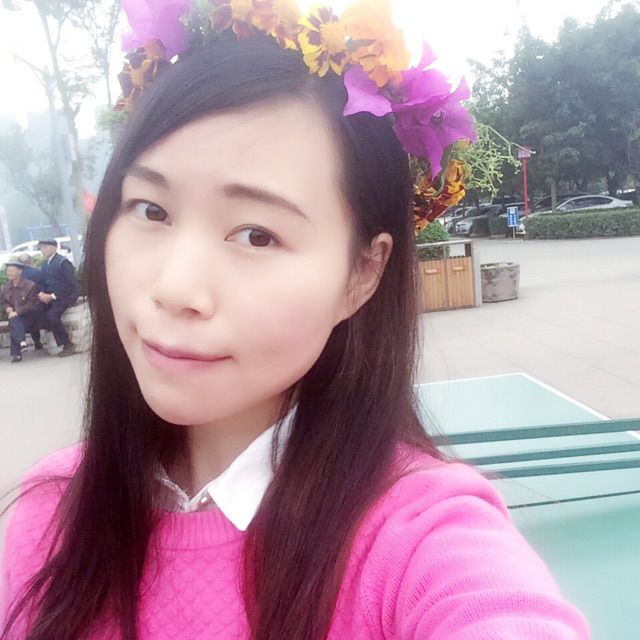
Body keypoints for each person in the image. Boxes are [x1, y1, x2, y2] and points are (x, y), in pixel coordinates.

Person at [0, 2, 590, 639]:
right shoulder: (51, 513)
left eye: (256, 234)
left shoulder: (418, 541)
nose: (174, 289)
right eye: (150, 210)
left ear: (362, 274)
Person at [37, 239, 78, 357]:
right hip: (50, 296)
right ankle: (42, 343)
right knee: (37, 310)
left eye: (45, 247)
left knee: (52, 316)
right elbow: (44, 282)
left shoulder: (63, 262)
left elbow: (70, 284)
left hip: (66, 297)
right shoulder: (45, 264)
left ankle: (68, 345)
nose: (42, 250)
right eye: (41, 248)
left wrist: (53, 296)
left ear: (54, 247)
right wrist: (42, 293)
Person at [0, 261, 42, 363]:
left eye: (12, 271)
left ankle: (17, 353)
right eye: (8, 271)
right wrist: (7, 308)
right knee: (14, 321)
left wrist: (17, 312)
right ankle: (22, 343)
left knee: (14, 322)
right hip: (15, 317)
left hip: (30, 316)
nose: (9, 273)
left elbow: (32, 303)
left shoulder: (30, 285)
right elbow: (3, 302)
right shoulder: (5, 287)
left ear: (19, 271)